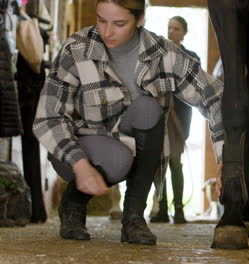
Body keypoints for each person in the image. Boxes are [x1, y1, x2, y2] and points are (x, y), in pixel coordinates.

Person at [33, 0, 223, 246]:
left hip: (129, 146)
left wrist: (224, 157)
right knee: (118, 159)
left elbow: (217, 97)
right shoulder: (77, 47)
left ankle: (133, 217)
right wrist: (80, 166)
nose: (107, 32)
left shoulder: (163, 54)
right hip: (79, 149)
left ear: (140, 20)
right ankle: (74, 202)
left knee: (148, 107)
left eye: (119, 23)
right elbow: (48, 116)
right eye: (101, 20)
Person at [150, 16, 199, 224]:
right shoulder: (158, 56)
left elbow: (193, 85)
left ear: (184, 32)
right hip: (160, 113)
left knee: (175, 161)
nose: (171, 32)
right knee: (159, 162)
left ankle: (178, 210)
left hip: (180, 114)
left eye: (176, 28)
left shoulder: (191, 57)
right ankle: (162, 209)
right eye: (169, 28)